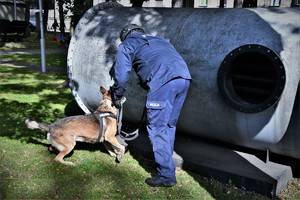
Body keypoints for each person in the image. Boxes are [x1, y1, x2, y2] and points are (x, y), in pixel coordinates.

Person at [110, 24, 191, 187]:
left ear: (125, 35)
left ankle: (166, 176)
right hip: (184, 78)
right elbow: (161, 60)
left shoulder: (127, 44)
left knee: (157, 128)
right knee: (168, 126)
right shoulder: (159, 39)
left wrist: (117, 95)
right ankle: (167, 166)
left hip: (163, 81)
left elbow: (121, 75)